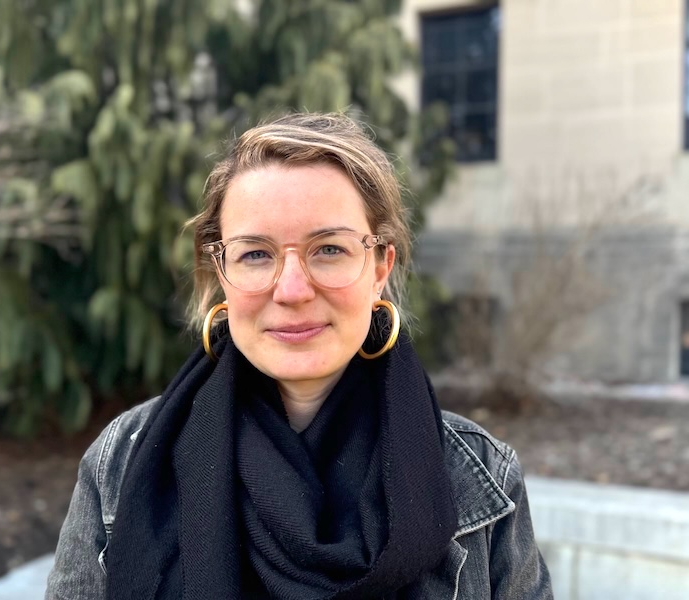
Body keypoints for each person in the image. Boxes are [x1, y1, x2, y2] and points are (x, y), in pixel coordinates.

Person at [46, 112, 553, 599]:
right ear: (222, 271)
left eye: (329, 249)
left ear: (380, 265)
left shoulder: (481, 471)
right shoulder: (122, 461)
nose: (291, 290)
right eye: (255, 253)